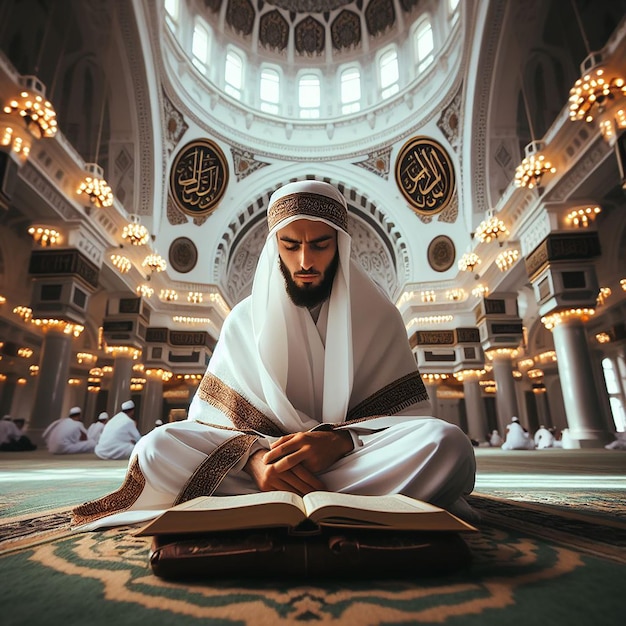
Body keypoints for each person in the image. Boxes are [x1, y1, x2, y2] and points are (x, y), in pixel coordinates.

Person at [72, 180, 476, 529]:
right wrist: (254, 461)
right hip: (262, 467)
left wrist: (341, 442)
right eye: (291, 245)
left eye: (320, 245)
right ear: (275, 246)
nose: (305, 262)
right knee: (155, 448)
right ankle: (316, 495)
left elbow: (404, 420)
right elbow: (211, 422)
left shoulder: (380, 317)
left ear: (341, 245)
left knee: (448, 445)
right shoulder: (243, 320)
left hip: (350, 460)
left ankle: (287, 496)